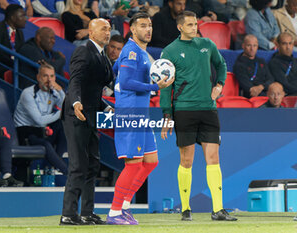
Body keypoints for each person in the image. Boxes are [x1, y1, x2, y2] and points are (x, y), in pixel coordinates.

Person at [160, 11, 237, 221]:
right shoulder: (170, 51)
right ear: (180, 27)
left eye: (196, 24)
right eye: (190, 25)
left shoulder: (207, 44)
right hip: (184, 110)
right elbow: (165, 86)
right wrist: (167, 113)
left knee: (213, 158)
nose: (195, 28)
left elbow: (221, 65)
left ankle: (218, 209)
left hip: (208, 109)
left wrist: (220, 85)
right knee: (186, 160)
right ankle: (185, 209)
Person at [106, 12, 174, 225]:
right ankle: (115, 212)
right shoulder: (132, 52)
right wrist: (156, 87)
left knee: (151, 161)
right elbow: (125, 82)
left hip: (140, 115)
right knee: (133, 165)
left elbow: (116, 70)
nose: (148, 29)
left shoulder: (142, 53)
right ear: (132, 29)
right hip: (130, 114)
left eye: (150, 25)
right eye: (143, 25)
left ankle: (125, 206)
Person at [59, 18, 113, 225]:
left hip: (91, 115)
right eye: (103, 29)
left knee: (92, 164)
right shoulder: (83, 51)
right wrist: (76, 103)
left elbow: (93, 90)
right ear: (91, 32)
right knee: (78, 165)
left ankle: (87, 213)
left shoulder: (102, 55)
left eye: (109, 29)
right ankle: (68, 214)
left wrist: (106, 107)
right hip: (76, 115)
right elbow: (76, 81)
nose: (107, 32)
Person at [14, 63, 68, 175]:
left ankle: (54, 166)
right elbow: (39, 120)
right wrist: (62, 112)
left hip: (41, 131)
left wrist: (61, 91)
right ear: (38, 77)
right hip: (25, 132)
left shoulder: (53, 92)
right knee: (46, 145)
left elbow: (67, 106)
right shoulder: (28, 93)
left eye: (52, 76)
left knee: (64, 125)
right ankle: (67, 172)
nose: (49, 80)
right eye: (45, 76)